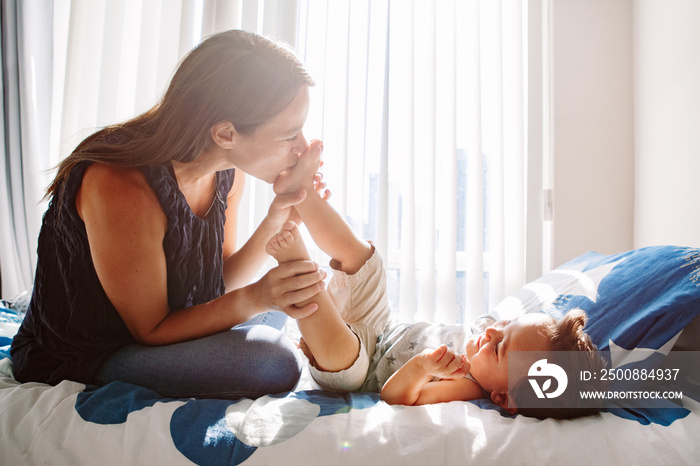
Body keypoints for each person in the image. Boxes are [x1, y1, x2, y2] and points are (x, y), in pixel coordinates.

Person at [10, 30, 330, 400]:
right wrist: (258, 297)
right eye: (289, 134)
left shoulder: (227, 169)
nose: (303, 148)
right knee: (273, 361)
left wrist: (281, 215)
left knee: (286, 313)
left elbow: (217, 285)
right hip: (90, 351)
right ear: (226, 133)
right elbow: (152, 328)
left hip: (164, 329)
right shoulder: (119, 185)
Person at [266, 143, 604, 418]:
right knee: (367, 263)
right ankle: (302, 194)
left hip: (359, 369)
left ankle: (294, 263)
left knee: (345, 360)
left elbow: (395, 397)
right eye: (507, 325)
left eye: (499, 347)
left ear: (503, 396)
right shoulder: (480, 339)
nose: (492, 331)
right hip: (380, 329)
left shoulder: (466, 384)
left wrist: (423, 367)